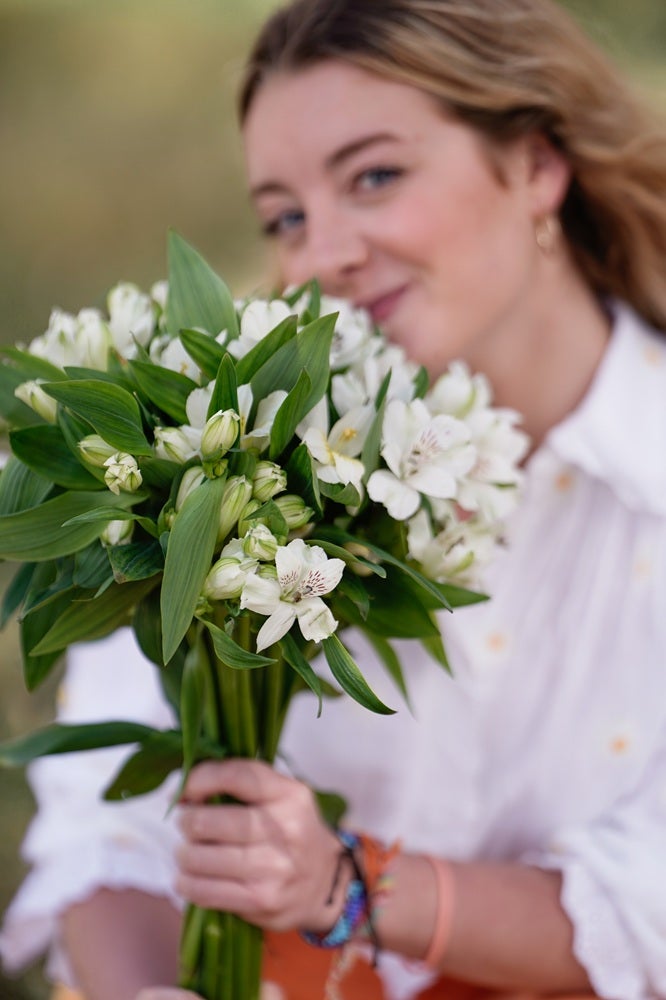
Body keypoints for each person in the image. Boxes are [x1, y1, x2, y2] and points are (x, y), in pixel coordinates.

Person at [3, 0, 666, 998]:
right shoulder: (243, 457)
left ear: (536, 163)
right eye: (287, 216)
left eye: (375, 177)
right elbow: (110, 829)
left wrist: (346, 884)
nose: (322, 257)